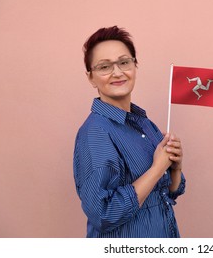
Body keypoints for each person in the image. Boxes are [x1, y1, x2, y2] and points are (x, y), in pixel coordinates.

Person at [73, 26, 186, 238]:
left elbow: (168, 193)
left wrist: (175, 168)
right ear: (90, 77)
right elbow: (103, 214)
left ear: (135, 66)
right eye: (104, 67)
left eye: (124, 62)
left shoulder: (145, 124)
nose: (117, 73)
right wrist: (157, 168)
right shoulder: (95, 134)